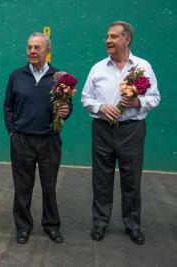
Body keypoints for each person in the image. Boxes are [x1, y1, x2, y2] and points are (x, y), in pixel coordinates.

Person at [81, 21, 160, 245]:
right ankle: (100, 223)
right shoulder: (97, 68)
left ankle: (133, 225)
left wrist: (137, 101)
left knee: (132, 179)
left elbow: (155, 97)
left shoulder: (143, 66)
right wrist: (99, 107)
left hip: (131, 131)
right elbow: (86, 98)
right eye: (107, 36)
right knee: (101, 179)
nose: (108, 40)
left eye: (114, 36)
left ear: (127, 40)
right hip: (102, 130)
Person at [4, 32, 72, 244]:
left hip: (49, 140)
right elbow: (8, 106)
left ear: (47, 51)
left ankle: (51, 226)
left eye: (37, 47)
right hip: (22, 140)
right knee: (22, 187)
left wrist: (65, 112)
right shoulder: (16, 75)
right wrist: (13, 132)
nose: (32, 51)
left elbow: (68, 106)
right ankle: (23, 227)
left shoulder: (59, 77)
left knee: (49, 186)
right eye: (29, 47)